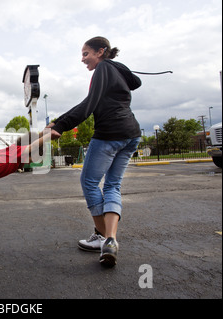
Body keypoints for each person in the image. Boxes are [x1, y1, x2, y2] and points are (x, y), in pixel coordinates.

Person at [47, 36, 142, 267]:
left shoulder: (103, 69)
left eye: (85, 53)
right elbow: (136, 81)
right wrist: (117, 65)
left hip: (110, 135)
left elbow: (89, 104)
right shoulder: (116, 71)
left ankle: (103, 237)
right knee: (112, 185)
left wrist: (60, 124)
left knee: (90, 182)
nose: (82, 59)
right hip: (132, 134)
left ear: (101, 51)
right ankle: (110, 240)